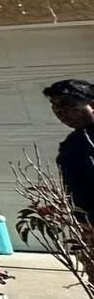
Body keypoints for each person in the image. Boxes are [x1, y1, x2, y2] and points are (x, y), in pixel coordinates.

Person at [43, 78, 94, 220]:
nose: (59, 111)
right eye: (54, 105)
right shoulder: (74, 142)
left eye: (65, 104)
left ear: (92, 105)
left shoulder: (82, 141)